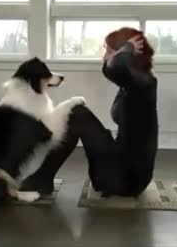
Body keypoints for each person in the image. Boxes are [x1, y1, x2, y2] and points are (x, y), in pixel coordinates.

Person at [21, 27, 158, 197]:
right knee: (75, 114)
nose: (104, 57)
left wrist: (127, 48)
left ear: (128, 56)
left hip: (126, 181)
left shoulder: (142, 84)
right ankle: (43, 178)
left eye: (109, 51)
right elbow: (109, 69)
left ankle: (42, 179)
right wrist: (123, 51)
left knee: (77, 114)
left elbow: (116, 67)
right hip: (123, 168)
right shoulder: (135, 82)